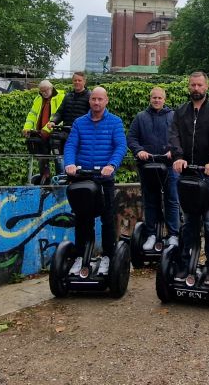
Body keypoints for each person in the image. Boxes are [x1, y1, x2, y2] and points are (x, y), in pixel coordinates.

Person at [169, 71, 209, 285]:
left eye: (199, 85)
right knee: (189, 222)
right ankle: (186, 265)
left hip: (207, 174)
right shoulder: (181, 112)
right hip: (186, 175)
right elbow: (174, 135)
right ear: (189, 87)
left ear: (207, 86)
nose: (196, 88)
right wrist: (178, 157)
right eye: (193, 85)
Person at [63, 86, 127, 277]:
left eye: (100, 99)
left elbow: (120, 146)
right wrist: (70, 164)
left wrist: (112, 165)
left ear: (106, 101)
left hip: (104, 179)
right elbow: (71, 145)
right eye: (93, 99)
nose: (96, 102)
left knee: (107, 219)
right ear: (89, 101)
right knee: (82, 220)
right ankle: (82, 257)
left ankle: (107, 256)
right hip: (83, 178)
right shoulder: (79, 123)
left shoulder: (115, 122)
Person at [127, 86, 179, 250]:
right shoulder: (141, 117)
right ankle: (151, 234)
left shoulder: (173, 116)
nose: (157, 100)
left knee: (172, 200)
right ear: (150, 99)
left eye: (160, 98)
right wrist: (139, 150)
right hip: (147, 166)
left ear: (164, 99)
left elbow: (181, 138)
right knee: (150, 201)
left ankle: (173, 235)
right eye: (154, 98)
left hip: (169, 166)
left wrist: (174, 150)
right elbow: (132, 138)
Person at [22, 79, 65, 183]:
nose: (43, 93)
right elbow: (32, 115)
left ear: (51, 88)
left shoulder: (61, 97)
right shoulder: (38, 99)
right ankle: (45, 178)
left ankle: (61, 178)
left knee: (58, 157)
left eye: (45, 90)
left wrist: (46, 130)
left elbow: (60, 116)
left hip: (55, 132)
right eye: (41, 91)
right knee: (41, 157)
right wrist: (27, 128)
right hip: (40, 134)